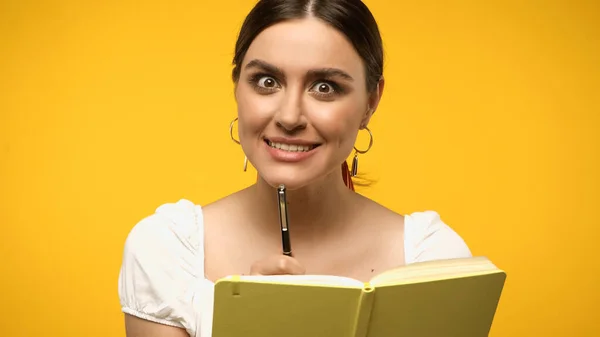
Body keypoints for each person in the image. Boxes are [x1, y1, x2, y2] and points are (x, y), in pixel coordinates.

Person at [117, 0, 472, 336]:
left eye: (324, 87)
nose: (289, 117)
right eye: (267, 81)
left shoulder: (434, 261)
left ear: (370, 101)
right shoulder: (166, 252)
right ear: (237, 86)